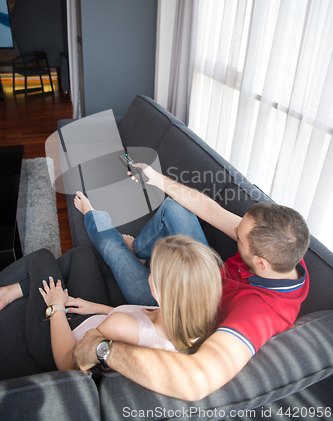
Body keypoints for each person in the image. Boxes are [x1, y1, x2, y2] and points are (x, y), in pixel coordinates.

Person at [72, 163, 310, 401]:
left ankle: (93, 216)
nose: (234, 229)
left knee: (114, 251)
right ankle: (140, 249)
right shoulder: (284, 248)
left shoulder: (261, 313)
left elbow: (196, 381)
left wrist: (103, 349)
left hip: (180, 301)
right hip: (201, 271)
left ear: (261, 264)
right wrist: (157, 179)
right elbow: (210, 209)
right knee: (174, 207)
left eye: (239, 236)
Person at [0, 235, 222, 372]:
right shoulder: (187, 319)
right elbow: (135, 320)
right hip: (93, 318)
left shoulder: (121, 325)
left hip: (56, 341)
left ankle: (7, 290)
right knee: (82, 255)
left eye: (152, 271)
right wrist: (94, 307)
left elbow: (68, 363)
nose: (148, 273)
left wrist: (56, 306)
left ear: (163, 292)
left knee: (41, 258)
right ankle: (14, 290)